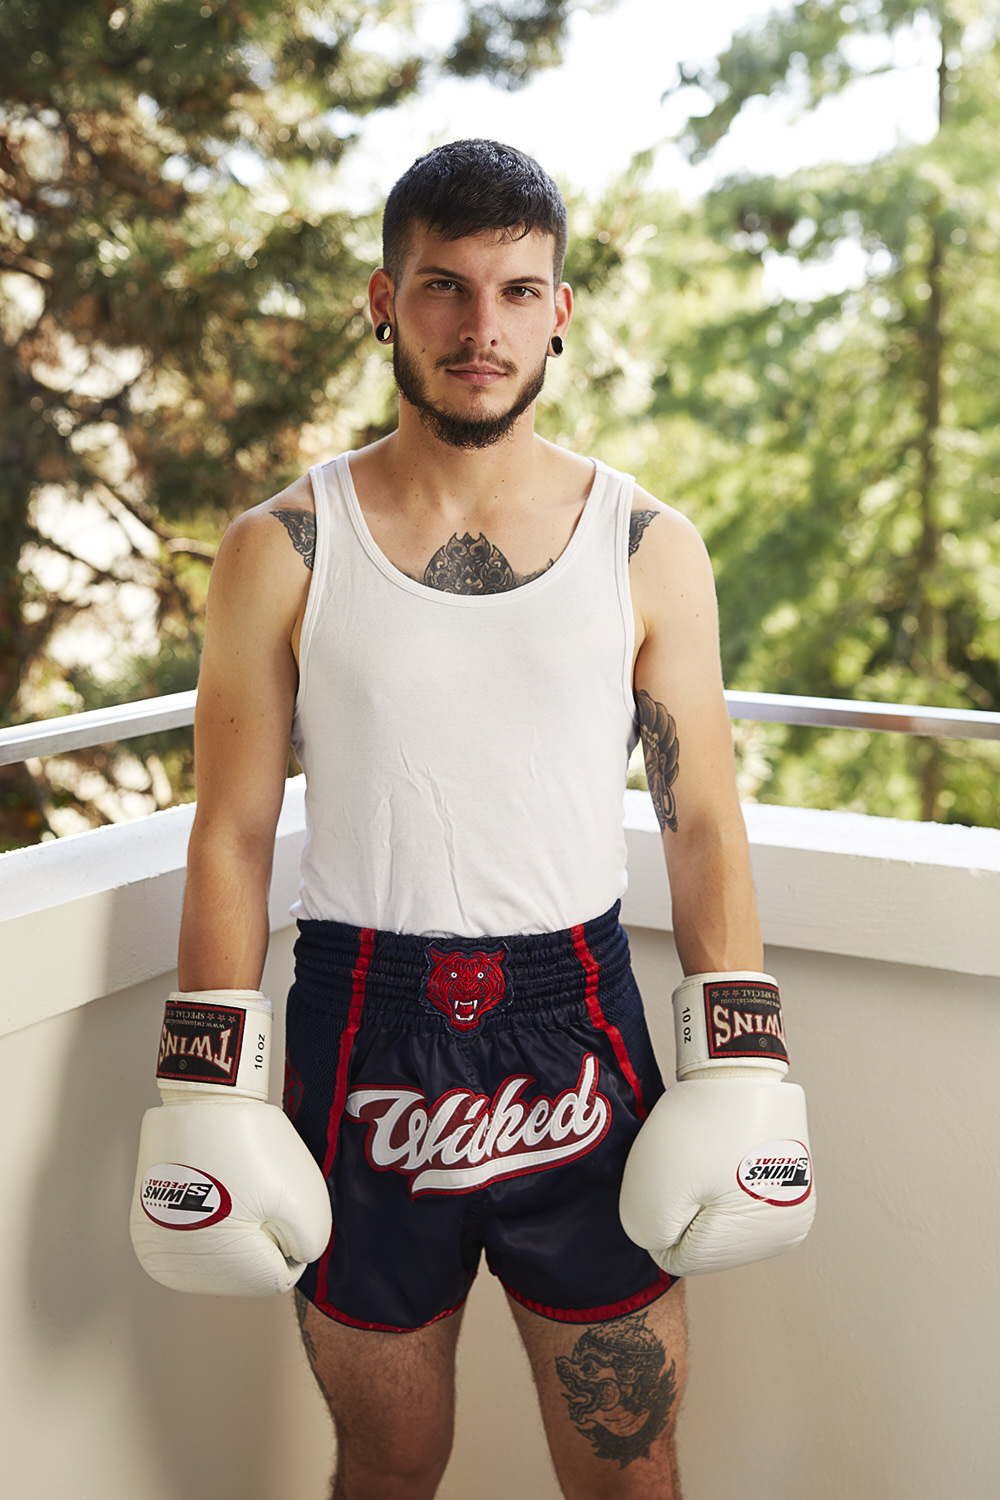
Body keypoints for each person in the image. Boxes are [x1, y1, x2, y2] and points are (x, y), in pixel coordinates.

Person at [130, 139, 814, 1500]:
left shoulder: (645, 541)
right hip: (359, 1029)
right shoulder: (282, 543)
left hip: (580, 1031)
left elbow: (701, 818)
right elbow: (232, 831)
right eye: (445, 289)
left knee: (628, 1459)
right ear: (384, 301)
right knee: (386, 1461)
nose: (480, 328)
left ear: (560, 310)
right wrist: (206, 1081)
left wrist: (742, 1063)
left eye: (516, 292)